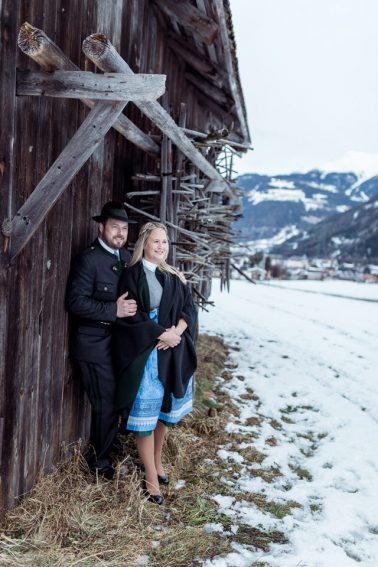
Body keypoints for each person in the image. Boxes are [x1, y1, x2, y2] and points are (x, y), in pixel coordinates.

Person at [113, 222, 197, 504]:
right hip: (146, 351)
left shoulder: (172, 274)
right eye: (156, 242)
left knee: (165, 410)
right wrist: (161, 333)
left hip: (172, 350)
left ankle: (158, 461)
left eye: (164, 242)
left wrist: (177, 333)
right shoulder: (132, 275)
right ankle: (150, 476)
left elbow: (189, 307)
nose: (161, 247)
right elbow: (132, 317)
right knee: (146, 414)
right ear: (144, 244)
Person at [65, 201, 138, 480]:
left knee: (121, 396)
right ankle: (99, 462)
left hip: (118, 343)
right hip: (93, 342)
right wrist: (113, 310)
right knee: (105, 401)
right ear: (101, 227)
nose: (120, 233)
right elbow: (75, 302)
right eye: (114, 227)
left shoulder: (128, 257)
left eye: (124, 228)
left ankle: (110, 445)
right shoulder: (89, 260)